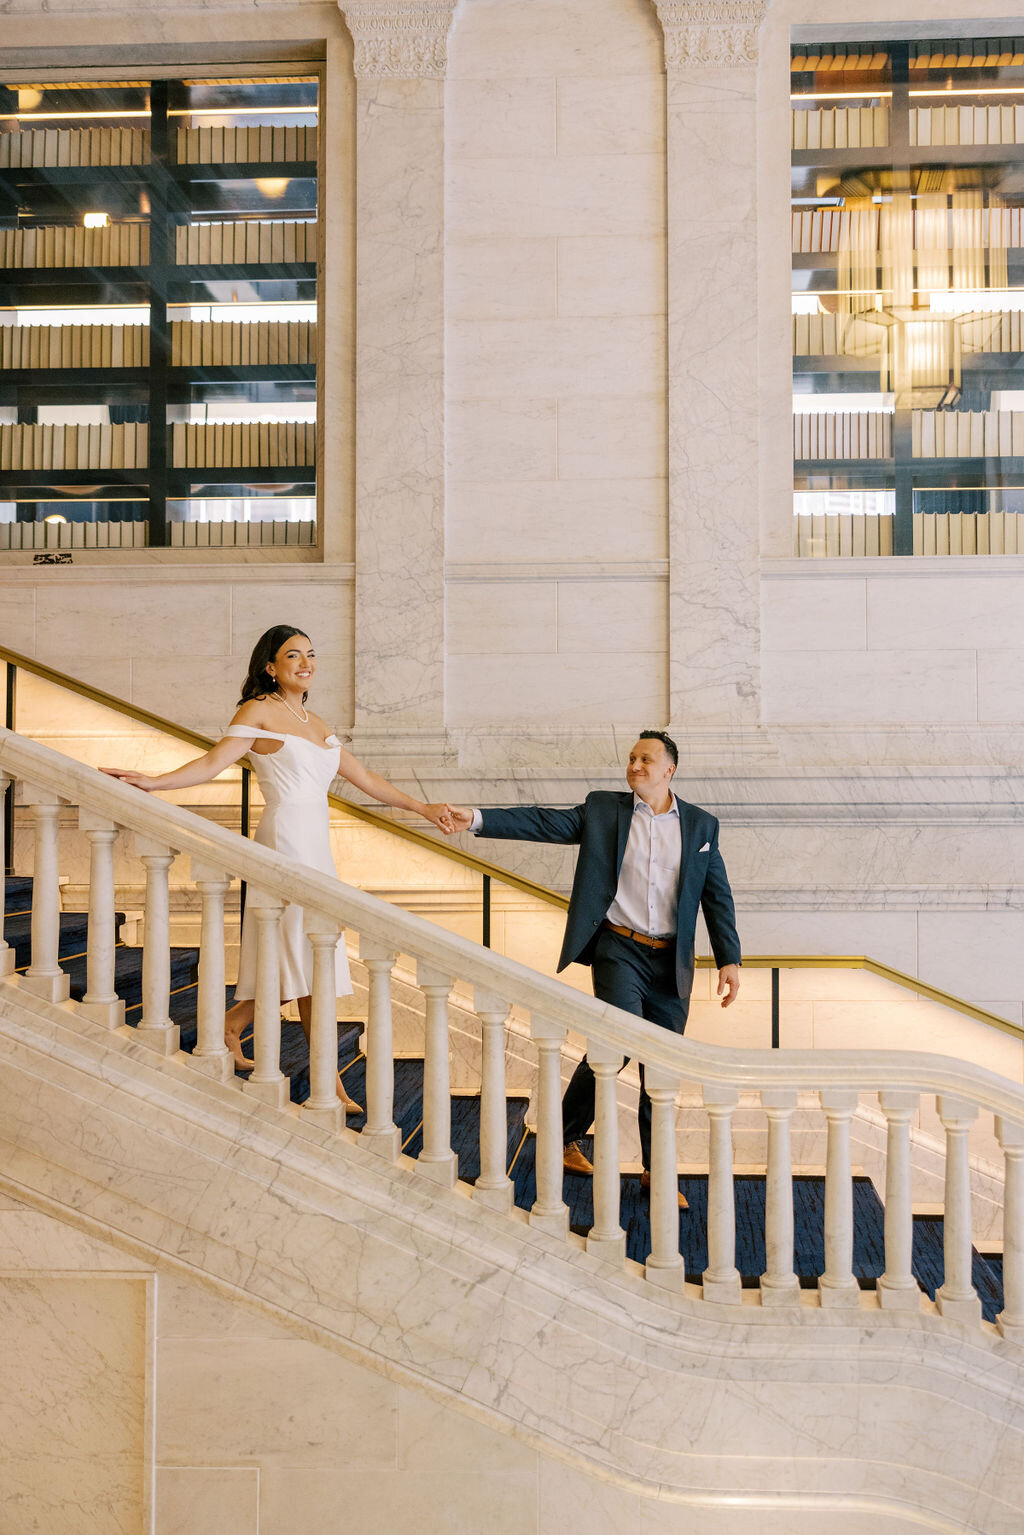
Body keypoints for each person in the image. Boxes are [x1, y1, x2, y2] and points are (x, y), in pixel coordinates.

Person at [103, 624, 456, 1109]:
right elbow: (213, 762)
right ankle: (327, 1082)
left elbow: (366, 779)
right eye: (294, 656)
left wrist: (425, 809)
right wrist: (154, 783)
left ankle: (232, 1025)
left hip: (317, 847)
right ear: (271, 666)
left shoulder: (316, 720)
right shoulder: (257, 711)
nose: (306, 663)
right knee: (307, 961)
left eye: (311, 654)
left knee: (303, 957)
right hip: (285, 842)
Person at [448, 732, 740, 1209]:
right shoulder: (604, 809)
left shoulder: (702, 826)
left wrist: (729, 957)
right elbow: (545, 822)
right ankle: (562, 1137)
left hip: (671, 962)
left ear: (670, 770)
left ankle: (656, 1172)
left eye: (647, 759)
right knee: (617, 1044)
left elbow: (717, 895)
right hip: (618, 949)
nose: (635, 765)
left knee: (662, 1067)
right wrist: (476, 818)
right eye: (631, 758)